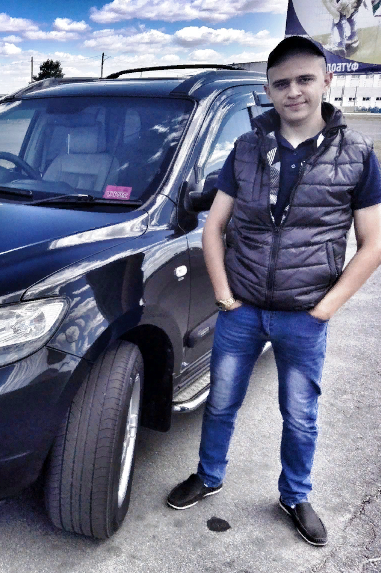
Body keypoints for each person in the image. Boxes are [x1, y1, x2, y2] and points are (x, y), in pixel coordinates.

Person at [167, 36, 381, 546]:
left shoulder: (357, 154)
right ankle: (209, 476)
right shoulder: (246, 148)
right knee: (220, 403)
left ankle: (295, 495)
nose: (294, 92)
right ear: (268, 90)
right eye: (282, 83)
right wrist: (224, 297)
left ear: (327, 80)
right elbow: (213, 228)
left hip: (303, 316)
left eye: (305, 79)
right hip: (240, 311)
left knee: (300, 416)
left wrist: (324, 310)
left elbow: (373, 244)